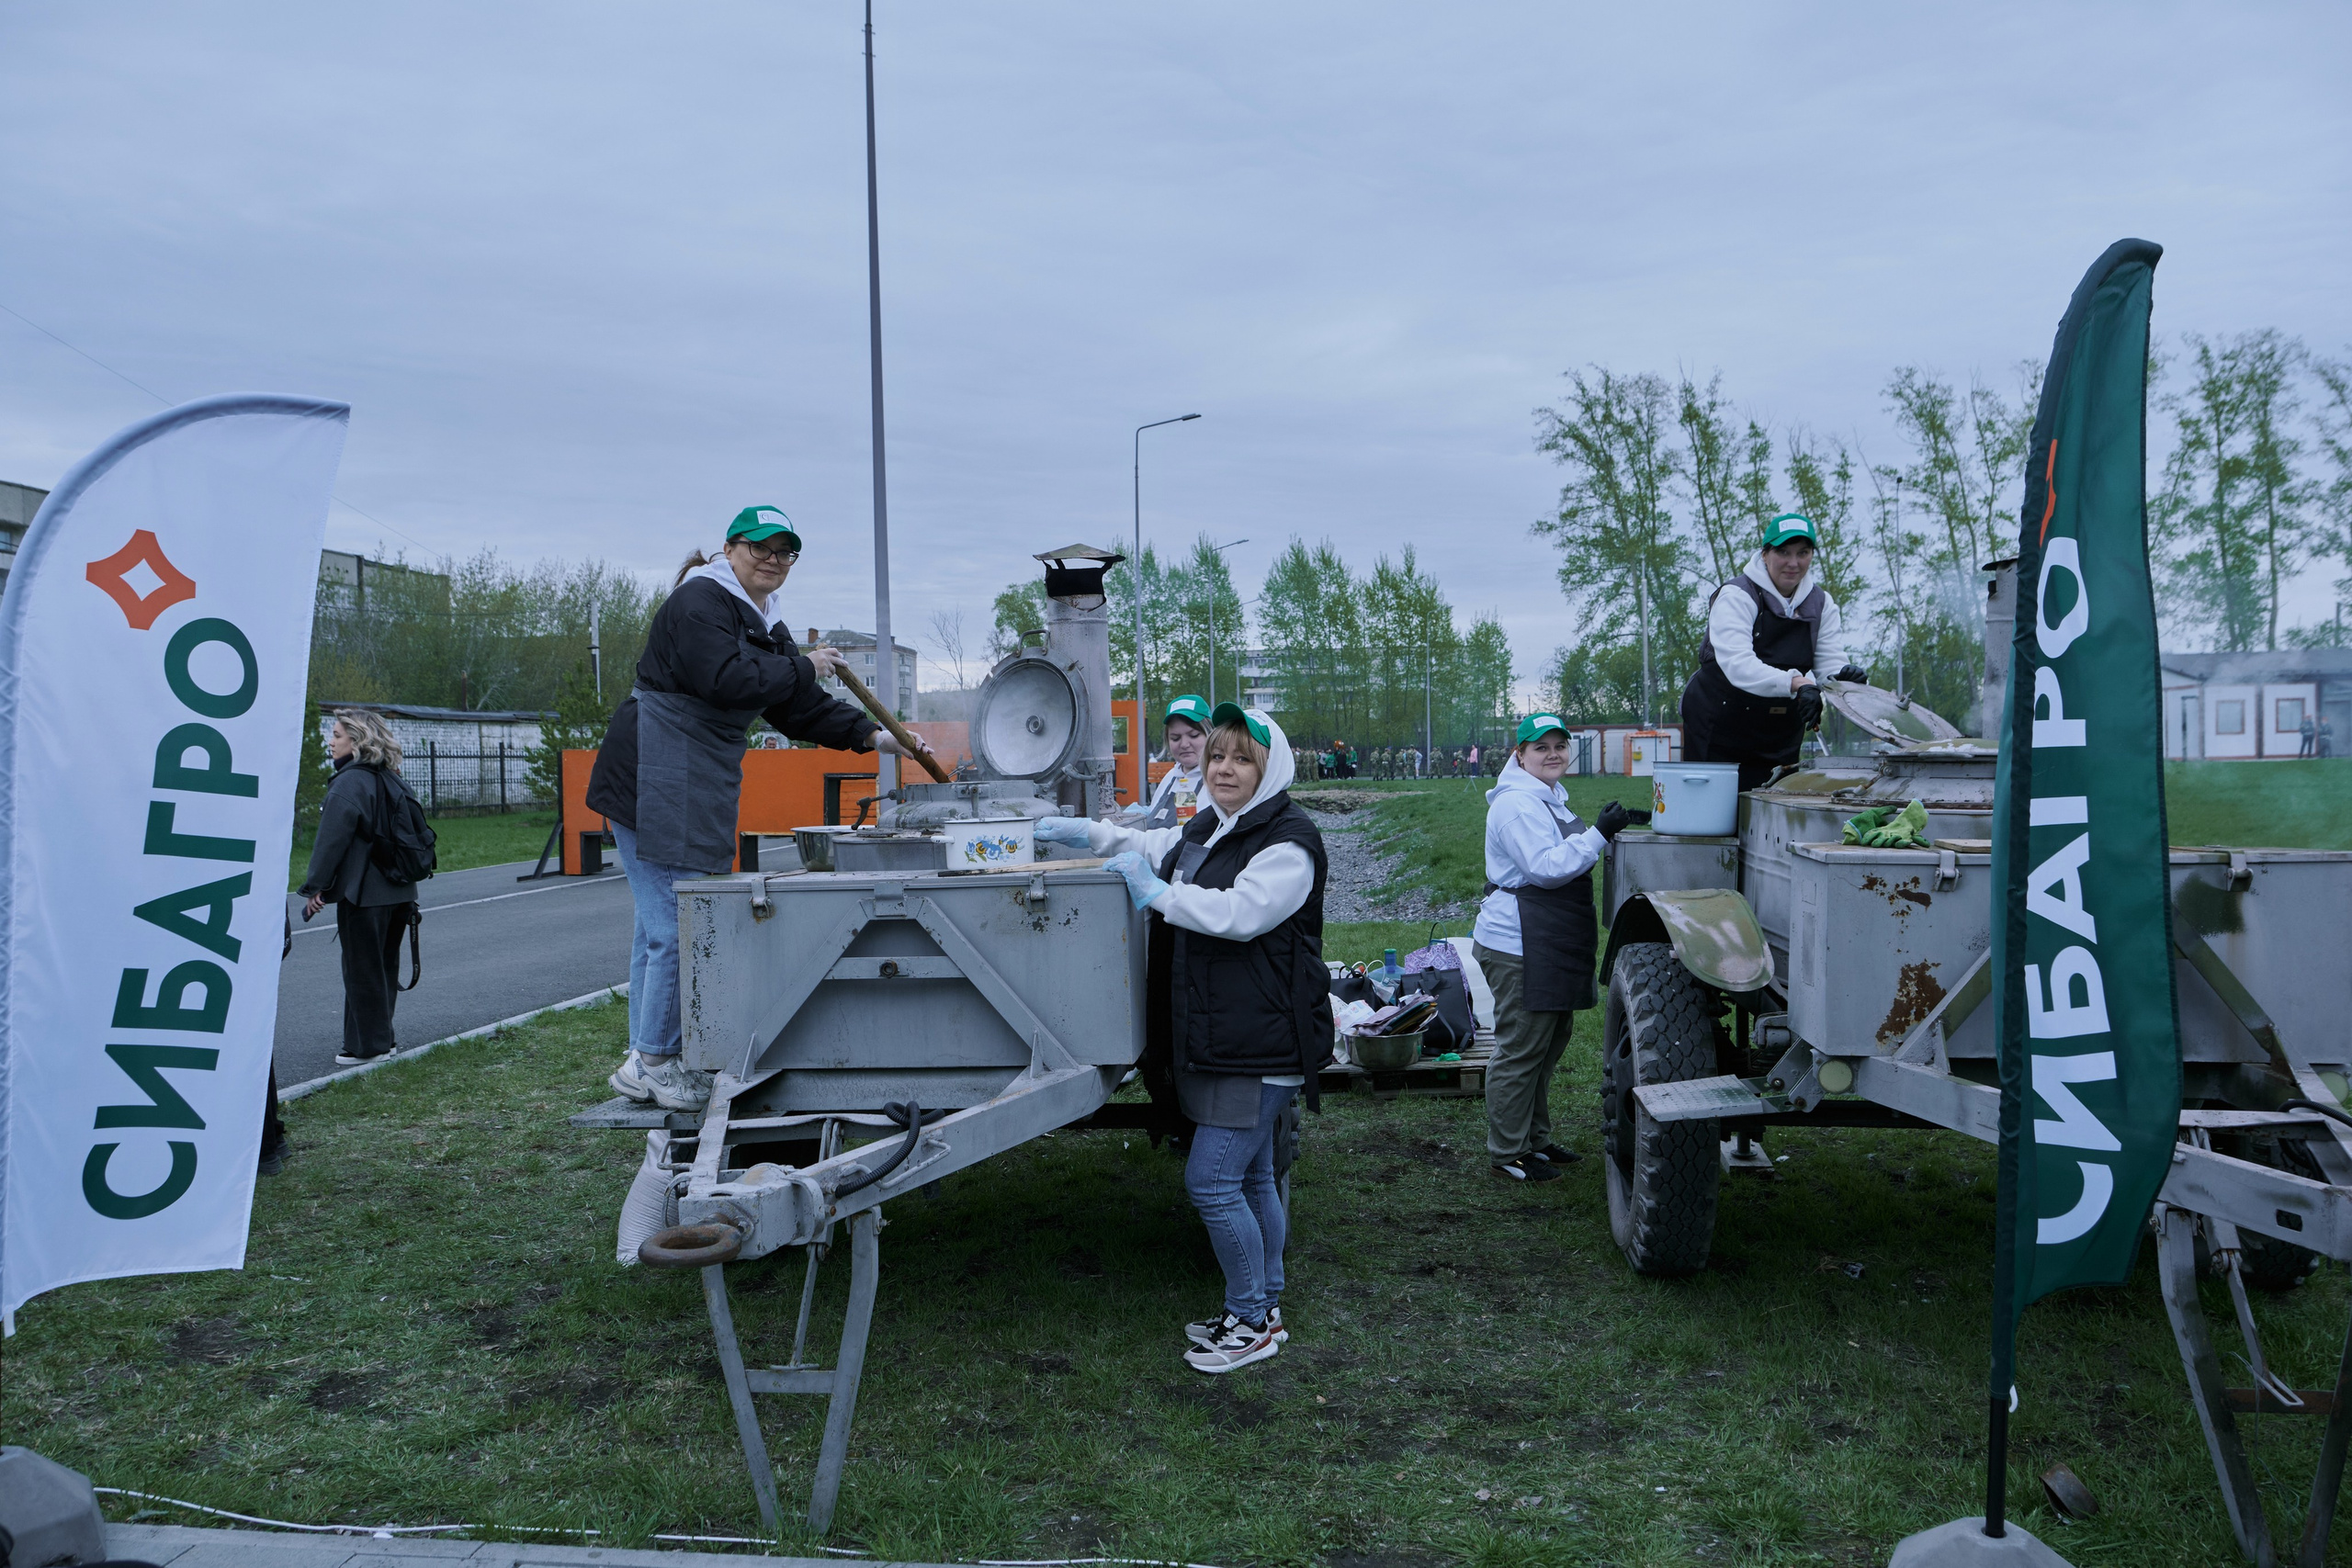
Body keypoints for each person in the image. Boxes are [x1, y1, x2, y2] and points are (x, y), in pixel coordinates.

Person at [585, 505, 933, 1112]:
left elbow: (793, 707)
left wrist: (874, 737)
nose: (773, 559)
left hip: (692, 772)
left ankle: (646, 1056)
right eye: (761, 548)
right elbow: (728, 680)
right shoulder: (700, 602)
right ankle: (654, 1061)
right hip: (655, 767)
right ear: (730, 548)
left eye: (785, 552)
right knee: (677, 924)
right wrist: (805, 665)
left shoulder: (762, 621)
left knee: (658, 927)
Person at [1036, 704, 1329, 1374]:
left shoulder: (1287, 840)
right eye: (1218, 755)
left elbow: (1239, 913)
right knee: (1256, 1177)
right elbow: (1154, 847)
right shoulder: (1216, 824)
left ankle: (1251, 1320)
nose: (1225, 769)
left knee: (1212, 1180)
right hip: (1232, 1035)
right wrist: (1088, 832)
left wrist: (1157, 895)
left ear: (1269, 767)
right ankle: (1263, 1306)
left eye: (1241, 758)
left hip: (1262, 1041)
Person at [1472, 713, 1645, 1182]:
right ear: (1520, 755)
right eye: (1540, 747)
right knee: (1522, 1049)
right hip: (1518, 943)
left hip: (1547, 940)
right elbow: (1544, 868)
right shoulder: (1516, 805)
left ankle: (1536, 1141)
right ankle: (1508, 1152)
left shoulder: (1548, 797)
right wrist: (1598, 834)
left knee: (1547, 1045)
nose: (1552, 754)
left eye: (1559, 746)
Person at [1679, 513, 1867, 791]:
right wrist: (1799, 683)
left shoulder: (1821, 603)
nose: (1793, 563)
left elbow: (1829, 663)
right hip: (1718, 727)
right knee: (1714, 823)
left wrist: (1844, 678)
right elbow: (1738, 664)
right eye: (1783, 552)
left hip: (1778, 734)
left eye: (1803, 553)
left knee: (1773, 813)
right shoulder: (1737, 595)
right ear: (1765, 554)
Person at [300, 709, 423, 1066]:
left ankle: (368, 1047)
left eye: (337, 735)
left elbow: (330, 841)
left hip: (364, 895)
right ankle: (383, 1038)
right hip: (400, 893)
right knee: (383, 968)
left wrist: (315, 888)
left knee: (361, 971)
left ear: (356, 741)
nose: (330, 740)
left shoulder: (349, 783)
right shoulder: (393, 779)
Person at [1126, 694, 1208, 829]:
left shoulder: (1217, 781)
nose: (1184, 744)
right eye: (1175, 738)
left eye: (1193, 735)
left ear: (1209, 734)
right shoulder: (1171, 776)